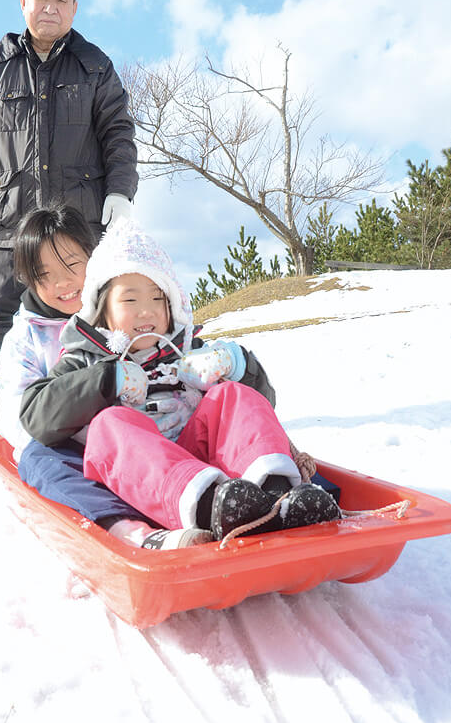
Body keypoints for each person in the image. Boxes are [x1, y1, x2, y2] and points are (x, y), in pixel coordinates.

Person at [19, 218, 341, 542]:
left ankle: (277, 494)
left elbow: (260, 408)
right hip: (146, 480)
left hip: (208, 467)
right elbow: (36, 414)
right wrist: (103, 380)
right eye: (130, 300)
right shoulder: (84, 358)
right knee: (110, 423)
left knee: (231, 394)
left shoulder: (188, 351)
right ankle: (207, 507)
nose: (146, 311)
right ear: (102, 309)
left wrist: (236, 364)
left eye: (158, 299)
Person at [0, 0, 138, 452]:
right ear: (24, 2)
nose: (49, 9)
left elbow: (118, 131)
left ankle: (100, 405)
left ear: (74, 7)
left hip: (77, 223)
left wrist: (120, 190)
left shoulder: (95, 66)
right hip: (11, 221)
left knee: (92, 309)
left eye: (60, 0)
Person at [0, 204, 213, 550]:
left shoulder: (121, 311)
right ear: (30, 280)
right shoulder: (26, 339)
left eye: (71, 264)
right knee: (38, 457)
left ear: (94, 259)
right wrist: (86, 426)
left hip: (151, 435)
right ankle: (130, 528)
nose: (62, 282)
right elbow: (19, 416)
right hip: (76, 448)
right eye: (44, 274)